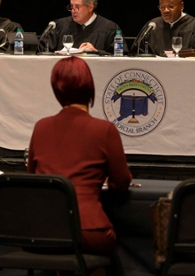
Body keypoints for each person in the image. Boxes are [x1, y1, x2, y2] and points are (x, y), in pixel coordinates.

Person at [27, 56, 132, 255]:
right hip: (87, 228)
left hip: (44, 229)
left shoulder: (41, 127)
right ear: (89, 87)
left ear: (56, 89)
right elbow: (121, 183)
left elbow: (34, 177)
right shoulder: (104, 130)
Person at [129, 0, 195, 56]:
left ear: (181, 6)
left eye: (171, 7)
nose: (166, 11)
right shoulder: (153, 25)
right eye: (162, 7)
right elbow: (136, 52)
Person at [49, 0, 122, 55]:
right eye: (71, 6)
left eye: (77, 7)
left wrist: (97, 52)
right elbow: (45, 53)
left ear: (90, 7)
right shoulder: (61, 25)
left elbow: (119, 58)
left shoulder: (109, 28)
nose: (73, 11)